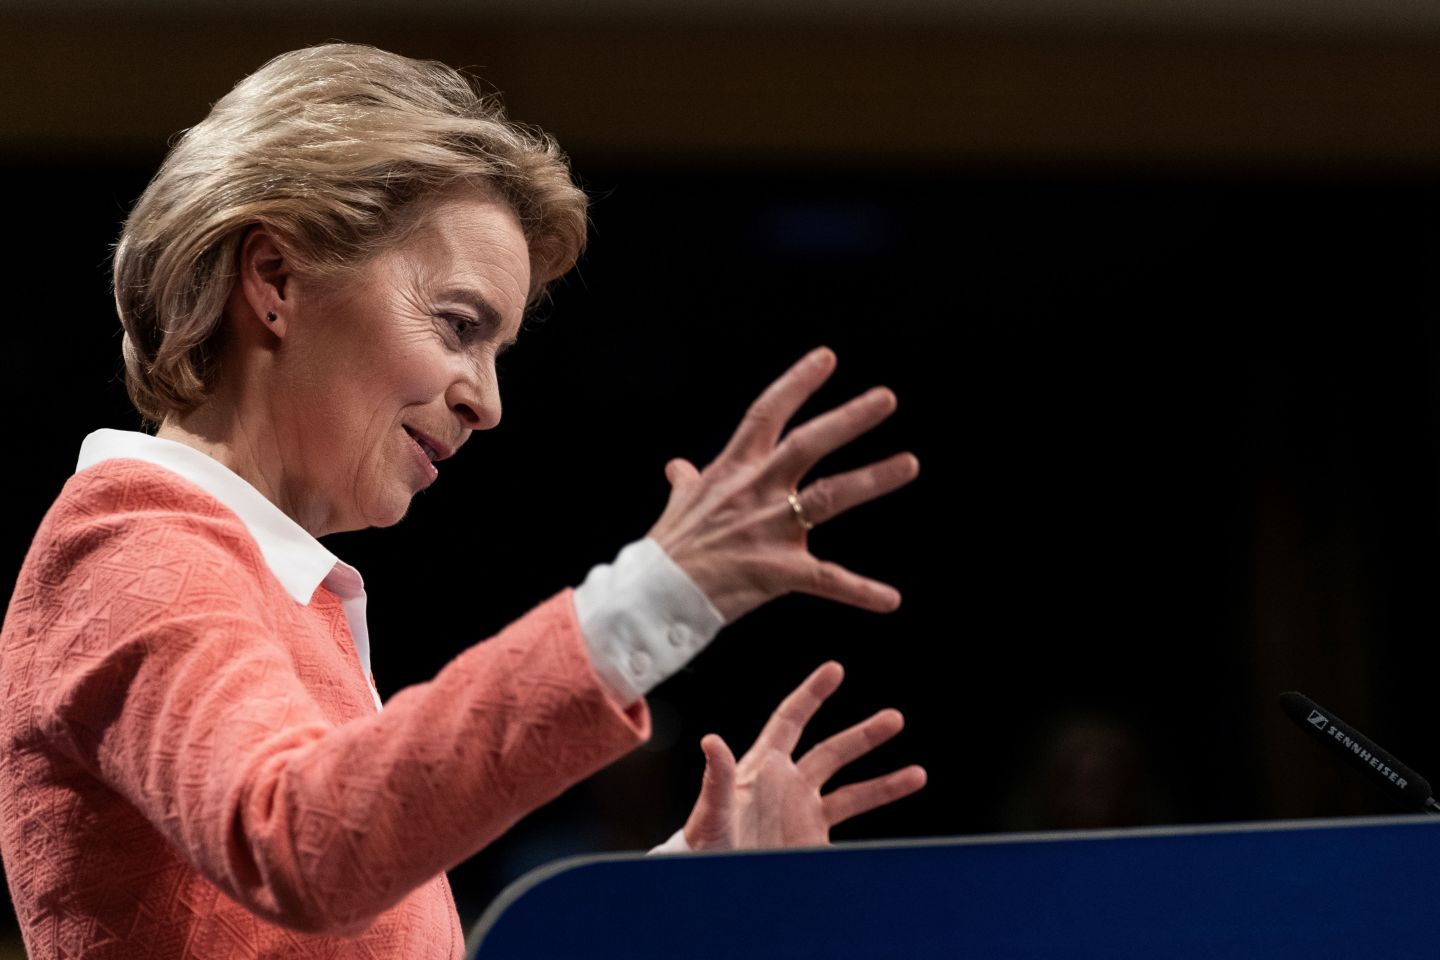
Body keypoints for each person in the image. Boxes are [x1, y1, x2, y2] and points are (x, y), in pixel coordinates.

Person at [0, 43, 924, 959]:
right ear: (275, 279)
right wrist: (660, 591)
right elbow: (300, 843)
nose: (487, 402)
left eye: (496, 351)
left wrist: (679, 895)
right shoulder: (130, 548)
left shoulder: (276, 589)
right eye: (458, 326)